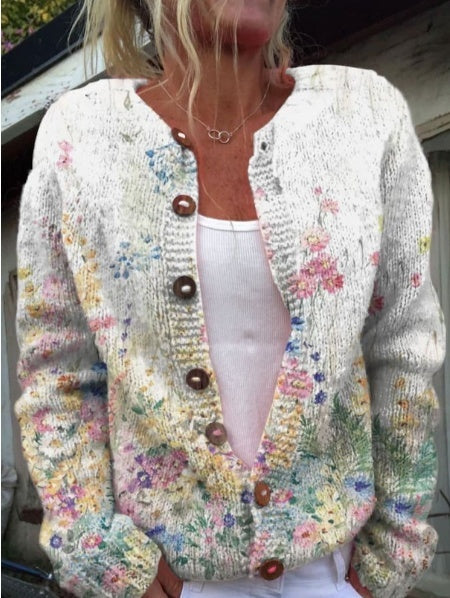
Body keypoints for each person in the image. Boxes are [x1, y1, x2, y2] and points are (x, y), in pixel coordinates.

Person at [14, 1, 446, 597]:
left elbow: (402, 346)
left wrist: (391, 554)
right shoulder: (82, 135)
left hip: (334, 575)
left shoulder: (365, 115)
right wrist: (97, 550)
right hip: (161, 576)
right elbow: (59, 371)